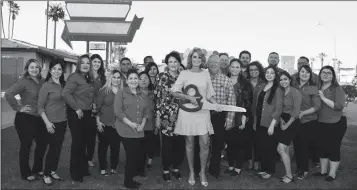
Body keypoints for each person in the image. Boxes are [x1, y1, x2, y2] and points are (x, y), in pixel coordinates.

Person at [172, 48, 221, 187]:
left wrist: (216, 104)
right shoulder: (184, 73)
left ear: (202, 59)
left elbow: (210, 94)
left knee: (205, 143)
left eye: (200, 57)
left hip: (203, 112)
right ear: (190, 59)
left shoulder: (205, 74)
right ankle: (192, 171)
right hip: (187, 112)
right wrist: (188, 97)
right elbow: (175, 92)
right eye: (194, 57)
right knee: (189, 142)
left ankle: (202, 172)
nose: (197, 60)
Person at [5, 59, 47, 181]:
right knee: (26, 146)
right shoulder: (23, 81)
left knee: (42, 144)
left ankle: (37, 169)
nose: (34, 69)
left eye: (36, 67)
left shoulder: (43, 81)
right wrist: (18, 108)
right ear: (27, 69)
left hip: (40, 118)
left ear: (40, 69)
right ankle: (25, 172)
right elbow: (8, 94)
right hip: (25, 118)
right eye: (31, 67)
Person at [61, 54, 95, 182]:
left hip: (87, 113)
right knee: (77, 144)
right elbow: (65, 93)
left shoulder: (88, 78)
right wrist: (76, 108)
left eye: (88, 63)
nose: (86, 65)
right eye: (83, 63)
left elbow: (87, 94)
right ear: (78, 65)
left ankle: (83, 169)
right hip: (76, 114)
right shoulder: (74, 77)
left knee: (84, 142)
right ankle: (75, 172)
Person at [114, 69, 150, 189]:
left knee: (136, 156)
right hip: (126, 129)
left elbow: (146, 112)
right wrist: (131, 124)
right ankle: (128, 182)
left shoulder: (143, 95)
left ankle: (130, 179)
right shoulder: (121, 93)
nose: (134, 81)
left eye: (136, 78)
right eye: (131, 78)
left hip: (139, 130)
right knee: (132, 156)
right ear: (127, 80)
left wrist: (142, 125)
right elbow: (118, 111)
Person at [154, 51, 185, 182]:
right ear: (167, 63)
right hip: (166, 116)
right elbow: (157, 97)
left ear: (179, 63)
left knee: (179, 145)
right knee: (167, 146)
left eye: (175, 61)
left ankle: (176, 168)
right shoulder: (161, 77)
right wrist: (157, 116)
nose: (173, 64)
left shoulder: (183, 77)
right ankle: (166, 169)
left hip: (182, 115)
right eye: (170, 61)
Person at [205, 54, 236, 179]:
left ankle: (214, 169)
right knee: (202, 143)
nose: (213, 64)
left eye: (216, 62)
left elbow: (231, 101)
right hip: (203, 115)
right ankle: (199, 168)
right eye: (211, 62)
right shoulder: (202, 78)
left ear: (220, 65)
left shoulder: (226, 80)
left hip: (219, 116)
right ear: (207, 64)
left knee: (217, 145)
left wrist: (229, 119)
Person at [37, 59, 67, 185]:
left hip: (62, 121)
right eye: (54, 69)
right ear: (50, 70)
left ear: (62, 71)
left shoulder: (64, 84)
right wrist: (47, 123)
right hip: (51, 122)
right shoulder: (46, 85)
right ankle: (47, 173)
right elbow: (40, 107)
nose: (56, 71)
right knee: (53, 148)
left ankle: (53, 170)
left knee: (58, 148)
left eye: (59, 69)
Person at [314, 66, 346, 182]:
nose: (326, 75)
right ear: (320, 74)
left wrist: (323, 97)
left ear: (333, 76)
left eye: (329, 73)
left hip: (336, 122)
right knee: (322, 147)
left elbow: (339, 106)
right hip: (320, 122)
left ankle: (332, 174)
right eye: (323, 72)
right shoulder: (318, 87)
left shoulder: (337, 88)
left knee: (333, 148)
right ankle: (323, 171)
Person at [292, 64, 321, 180]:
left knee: (304, 147)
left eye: (307, 72)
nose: (304, 74)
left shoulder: (313, 88)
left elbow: (317, 106)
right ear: (299, 73)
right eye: (302, 71)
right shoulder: (294, 85)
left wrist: (303, 113)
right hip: (295, 121)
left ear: (310, 75)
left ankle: (304, 170)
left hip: (308, 121)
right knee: (297, 146)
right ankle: (299, 168)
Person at [254, 65, 283, 179]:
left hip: (270, 124)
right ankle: (264, 169)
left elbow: (278, 108)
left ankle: (270, 171)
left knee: (270, 148)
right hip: (260, 122)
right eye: (267, 72)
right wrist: (255, 122)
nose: (269, 74)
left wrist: (272, 125)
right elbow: (258, 106)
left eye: (272, 73)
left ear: (275, 75)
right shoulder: (263, 86)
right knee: (262, 147)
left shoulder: (278, 89)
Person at [225, 58, 253, 176]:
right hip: (226, 116)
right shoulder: (224, 80)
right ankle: (231, 165)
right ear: (229, 67)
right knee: (229, 142)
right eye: (232, 66)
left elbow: (248, 102)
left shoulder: (245, 83)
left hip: (239, 116)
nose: (235, 69)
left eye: (237, 67)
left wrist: (244, 117)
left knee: (239, 143)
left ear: (241, 69)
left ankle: (238, 167)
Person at [276, 71, 302, 183]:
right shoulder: (280, 92)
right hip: (283, 120)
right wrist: (281, 120)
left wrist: (287, 125)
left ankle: (289, 176)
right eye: (281, 80)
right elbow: (279, 108)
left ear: (290, 80)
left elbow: (296, 112)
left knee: (280, 148)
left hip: (293, 122)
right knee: (284, 149)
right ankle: (288, 174)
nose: (283, 81)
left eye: (285, 79)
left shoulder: (295, 92)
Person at [96, 70, 122, 176]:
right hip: (104, 123)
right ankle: (103, 167)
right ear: (110, 78)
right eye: (114, 77)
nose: (116, 79)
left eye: (118, 77)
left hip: (118, 124)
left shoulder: (123, 91)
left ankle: (114, 166)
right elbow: (97, 108)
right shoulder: (103, 91)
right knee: (103, 147)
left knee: (115, 147)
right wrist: (98, 122)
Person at [246, 61, 266, 171]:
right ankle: (249, 161)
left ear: (259, 71)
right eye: (251, 70)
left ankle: (257, 161)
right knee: (248, 139)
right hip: (248, 115)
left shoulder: (264, 83)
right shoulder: (246, 82)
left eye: (256, 69)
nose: (253, 72)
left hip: (260, 115)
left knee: (259, 139)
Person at [87, 54, 106, 168]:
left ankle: (95, 159)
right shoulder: (86, 76)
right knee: (88, 136)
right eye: (94, 61)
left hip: (99, 109)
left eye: (99, 62)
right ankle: (86, 158)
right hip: (87, 108)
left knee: (99, 135)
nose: (96, 64)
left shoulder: (103, 77)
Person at [136, 71, 156, 177]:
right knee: (138, 148)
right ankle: (138, 168)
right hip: (137, 126)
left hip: (149, 126)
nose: (143, 80)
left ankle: (142, 168)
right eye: (141, 78)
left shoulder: (153, 94)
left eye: (145, 78)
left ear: (149, 81)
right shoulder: (133, 93)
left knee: (147, 147)